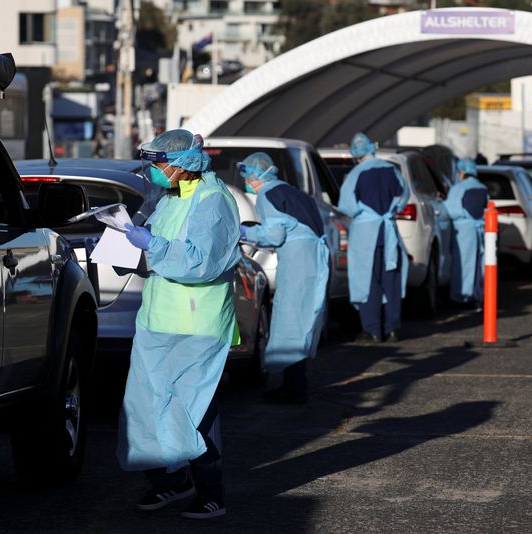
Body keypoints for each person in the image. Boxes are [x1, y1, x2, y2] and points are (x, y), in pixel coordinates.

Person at [116, 128, 241, 519]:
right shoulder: (169, 197)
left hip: (197, 322)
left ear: (184, 164)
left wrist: (153, 246)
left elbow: (202, 261)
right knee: (148, 406)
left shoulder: (213, 200)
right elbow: (157, 250)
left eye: (158, 163)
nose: (153, 171)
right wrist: (120, 246)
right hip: (159, 318)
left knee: (194, 409)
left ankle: (211, 492)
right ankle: (169, 483)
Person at [239, 152, 330, 405]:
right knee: (302, 320)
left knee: (290, 321)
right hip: (312, 260)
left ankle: (294, 389)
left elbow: (274, 235)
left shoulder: (267, 195)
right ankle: (295, 385)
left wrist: (244, 231)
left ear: (258, 175)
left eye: (247, 174)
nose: (247, 180)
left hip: (298, 262)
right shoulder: (294, 192)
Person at [338, 133, 409, 344]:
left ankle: (372, 330)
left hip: (365, 235)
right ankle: (393, 328)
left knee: (368, 281)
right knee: (391, 282)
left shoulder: (355, 174)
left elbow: (347, 205)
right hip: (388, 234)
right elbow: (403, 197)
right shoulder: (391, 170)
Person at [446, 158, 488, 308]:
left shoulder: (458, 188)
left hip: (463, 232)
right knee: (479, 264)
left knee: (463, 264)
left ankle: (462, 297)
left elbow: (451, 210)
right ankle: (477, 296)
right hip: (480, 231)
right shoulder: (482, 187)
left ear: (461, 171)